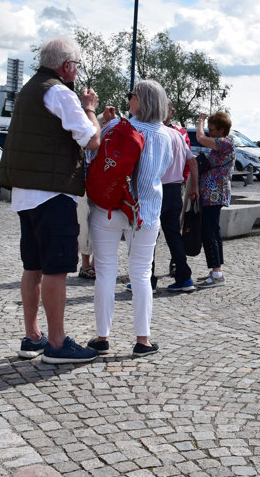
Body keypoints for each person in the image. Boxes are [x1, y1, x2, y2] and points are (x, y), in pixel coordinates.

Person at [0, 37, 102, 364]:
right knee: (56, 268)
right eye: (77, 64)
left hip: (25, 194)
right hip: (53, 193)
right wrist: (90, 110)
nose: (78, 70)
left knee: (33, 267)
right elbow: (92, 140)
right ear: (67, 66)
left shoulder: (28, 90)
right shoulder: (59, 92)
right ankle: (57, 343)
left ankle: (33, 337)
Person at [87, 80, 174, 358]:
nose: (128, 99)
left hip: (110, 208)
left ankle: (102, 337)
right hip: (145, 213)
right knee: (141, 274)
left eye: (131, 95)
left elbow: (92, 156)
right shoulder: (168, 136)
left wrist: (104, 123)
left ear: (141, 100)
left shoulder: (116, 128)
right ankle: (142, 339)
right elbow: (166, 170)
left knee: (105, 272)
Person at [194, 111, 235, 286]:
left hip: (214, 193)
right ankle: (216, 270)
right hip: (213, 193)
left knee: (209, 232)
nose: (210, 132)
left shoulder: (224, 143)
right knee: (213, 231)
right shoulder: (225, 143)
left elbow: (200, 138)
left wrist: (201, 121)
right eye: (209, 128)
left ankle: (216, 273)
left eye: (213, 129)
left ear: (221, 129)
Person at [160, 106, 198, 291]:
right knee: (174, 235)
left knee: (148, 235)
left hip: (157, 188)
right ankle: (184, 276)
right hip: (175, 188)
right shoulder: (178, 134)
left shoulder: (156, 133)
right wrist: (194, 186)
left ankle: (147, 279)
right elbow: (192, 160)